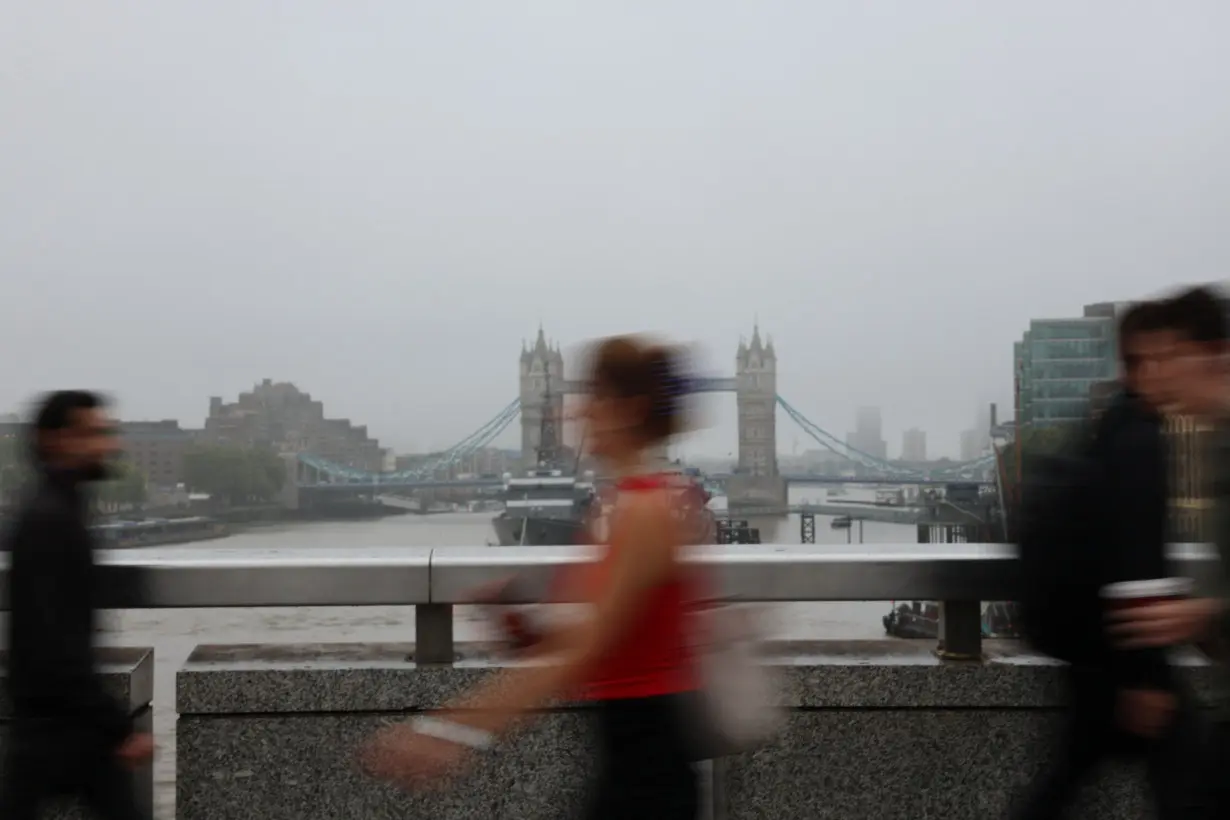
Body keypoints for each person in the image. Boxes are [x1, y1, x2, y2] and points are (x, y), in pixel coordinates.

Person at [361, 336, 702, 819]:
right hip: (628, 762)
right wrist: (522, 629)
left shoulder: (645, 510)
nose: (577, 412)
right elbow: (600, 638)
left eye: (594, 397)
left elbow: (587, 648)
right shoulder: (625, 503)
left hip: (647, 774)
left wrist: (450, 729)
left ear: (632, 408)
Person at [1013, 300, 1199, 819]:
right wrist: (1146, 678)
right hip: (1122, 654)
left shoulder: (1110, 424)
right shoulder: (1141, 438)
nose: (1172, 370)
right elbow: (1137, 560)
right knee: (1190, 782)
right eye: (1161, 358)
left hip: (1094, 649)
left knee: (1067, 779)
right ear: (1136, 366)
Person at [0, 391, 154, 820]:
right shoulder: (52, 519)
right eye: (93, 433)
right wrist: (118, 727)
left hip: (54, 723)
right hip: (62, 726)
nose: (109, 444)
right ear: (57, 440)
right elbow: (55, 641)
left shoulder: (54, 508)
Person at [1108, 285, 1230, 815]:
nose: (1155, 375)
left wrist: (1208, 612)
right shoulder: (1209, 438)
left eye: (1170, 356)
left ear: (1213, 355)